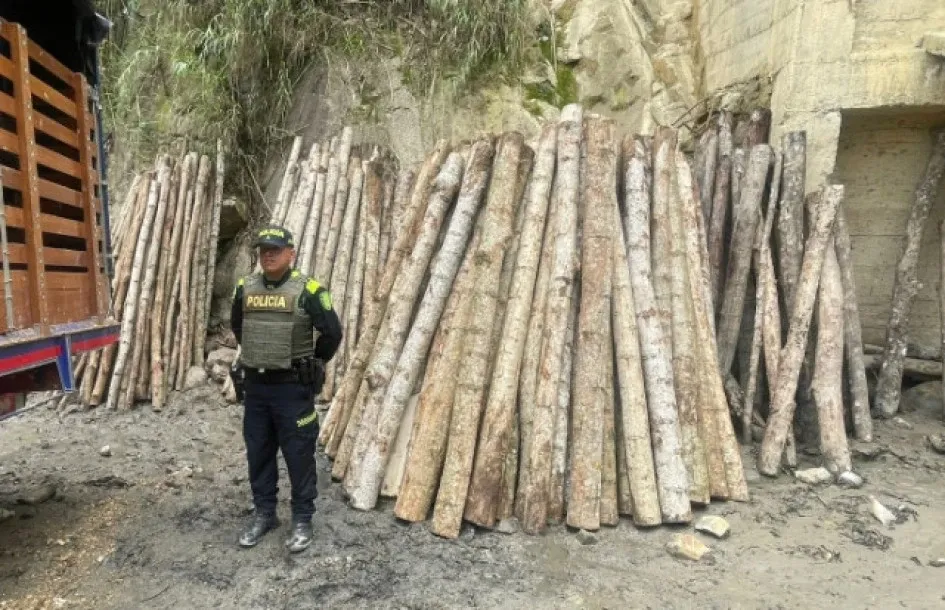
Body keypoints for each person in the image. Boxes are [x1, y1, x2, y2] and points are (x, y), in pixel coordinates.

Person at [230, 225, 342, 553]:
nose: (268, 254)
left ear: (291, 253)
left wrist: (313, 362)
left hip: (292, 389)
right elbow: (239, 326)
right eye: (264, 249)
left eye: (276, 249)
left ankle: (303, 518)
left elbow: (332, 333)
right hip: (257, 388)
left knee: (299, 455)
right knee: (259, 452)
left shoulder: (308, 290)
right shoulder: (245, 288)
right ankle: (265, 514)